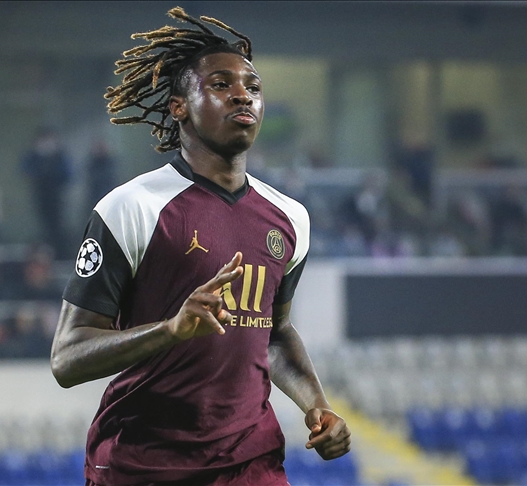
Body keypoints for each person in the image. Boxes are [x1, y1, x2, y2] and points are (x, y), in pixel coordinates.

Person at [50, 8, 351, 486]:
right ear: (179, 107)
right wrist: (170, 330)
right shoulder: (131, 207)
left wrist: (318, 406)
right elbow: (67, 358)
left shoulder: (290, 218)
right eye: (220, 84)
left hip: (250, 464)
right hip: (143, 464)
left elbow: (274, 333)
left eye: (253, 87)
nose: (242, 95)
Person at [21, 127, 72, 256]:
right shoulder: (33, 157)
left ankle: (60, 253)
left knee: (58, 227)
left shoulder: (60, 156)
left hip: (57, 198)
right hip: (40, 197)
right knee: (43, 226)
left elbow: (68, 175)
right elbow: (25, 170)